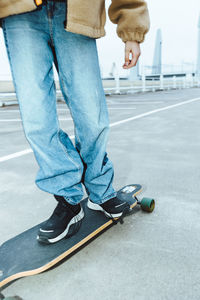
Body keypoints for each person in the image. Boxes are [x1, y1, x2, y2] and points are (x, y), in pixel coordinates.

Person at [0, 0, 150, 244]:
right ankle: (68, 199)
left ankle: (100, 191)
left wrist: (132, 30)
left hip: (77, 11)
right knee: (36, 119)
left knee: (93, 116)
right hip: (19, 14)